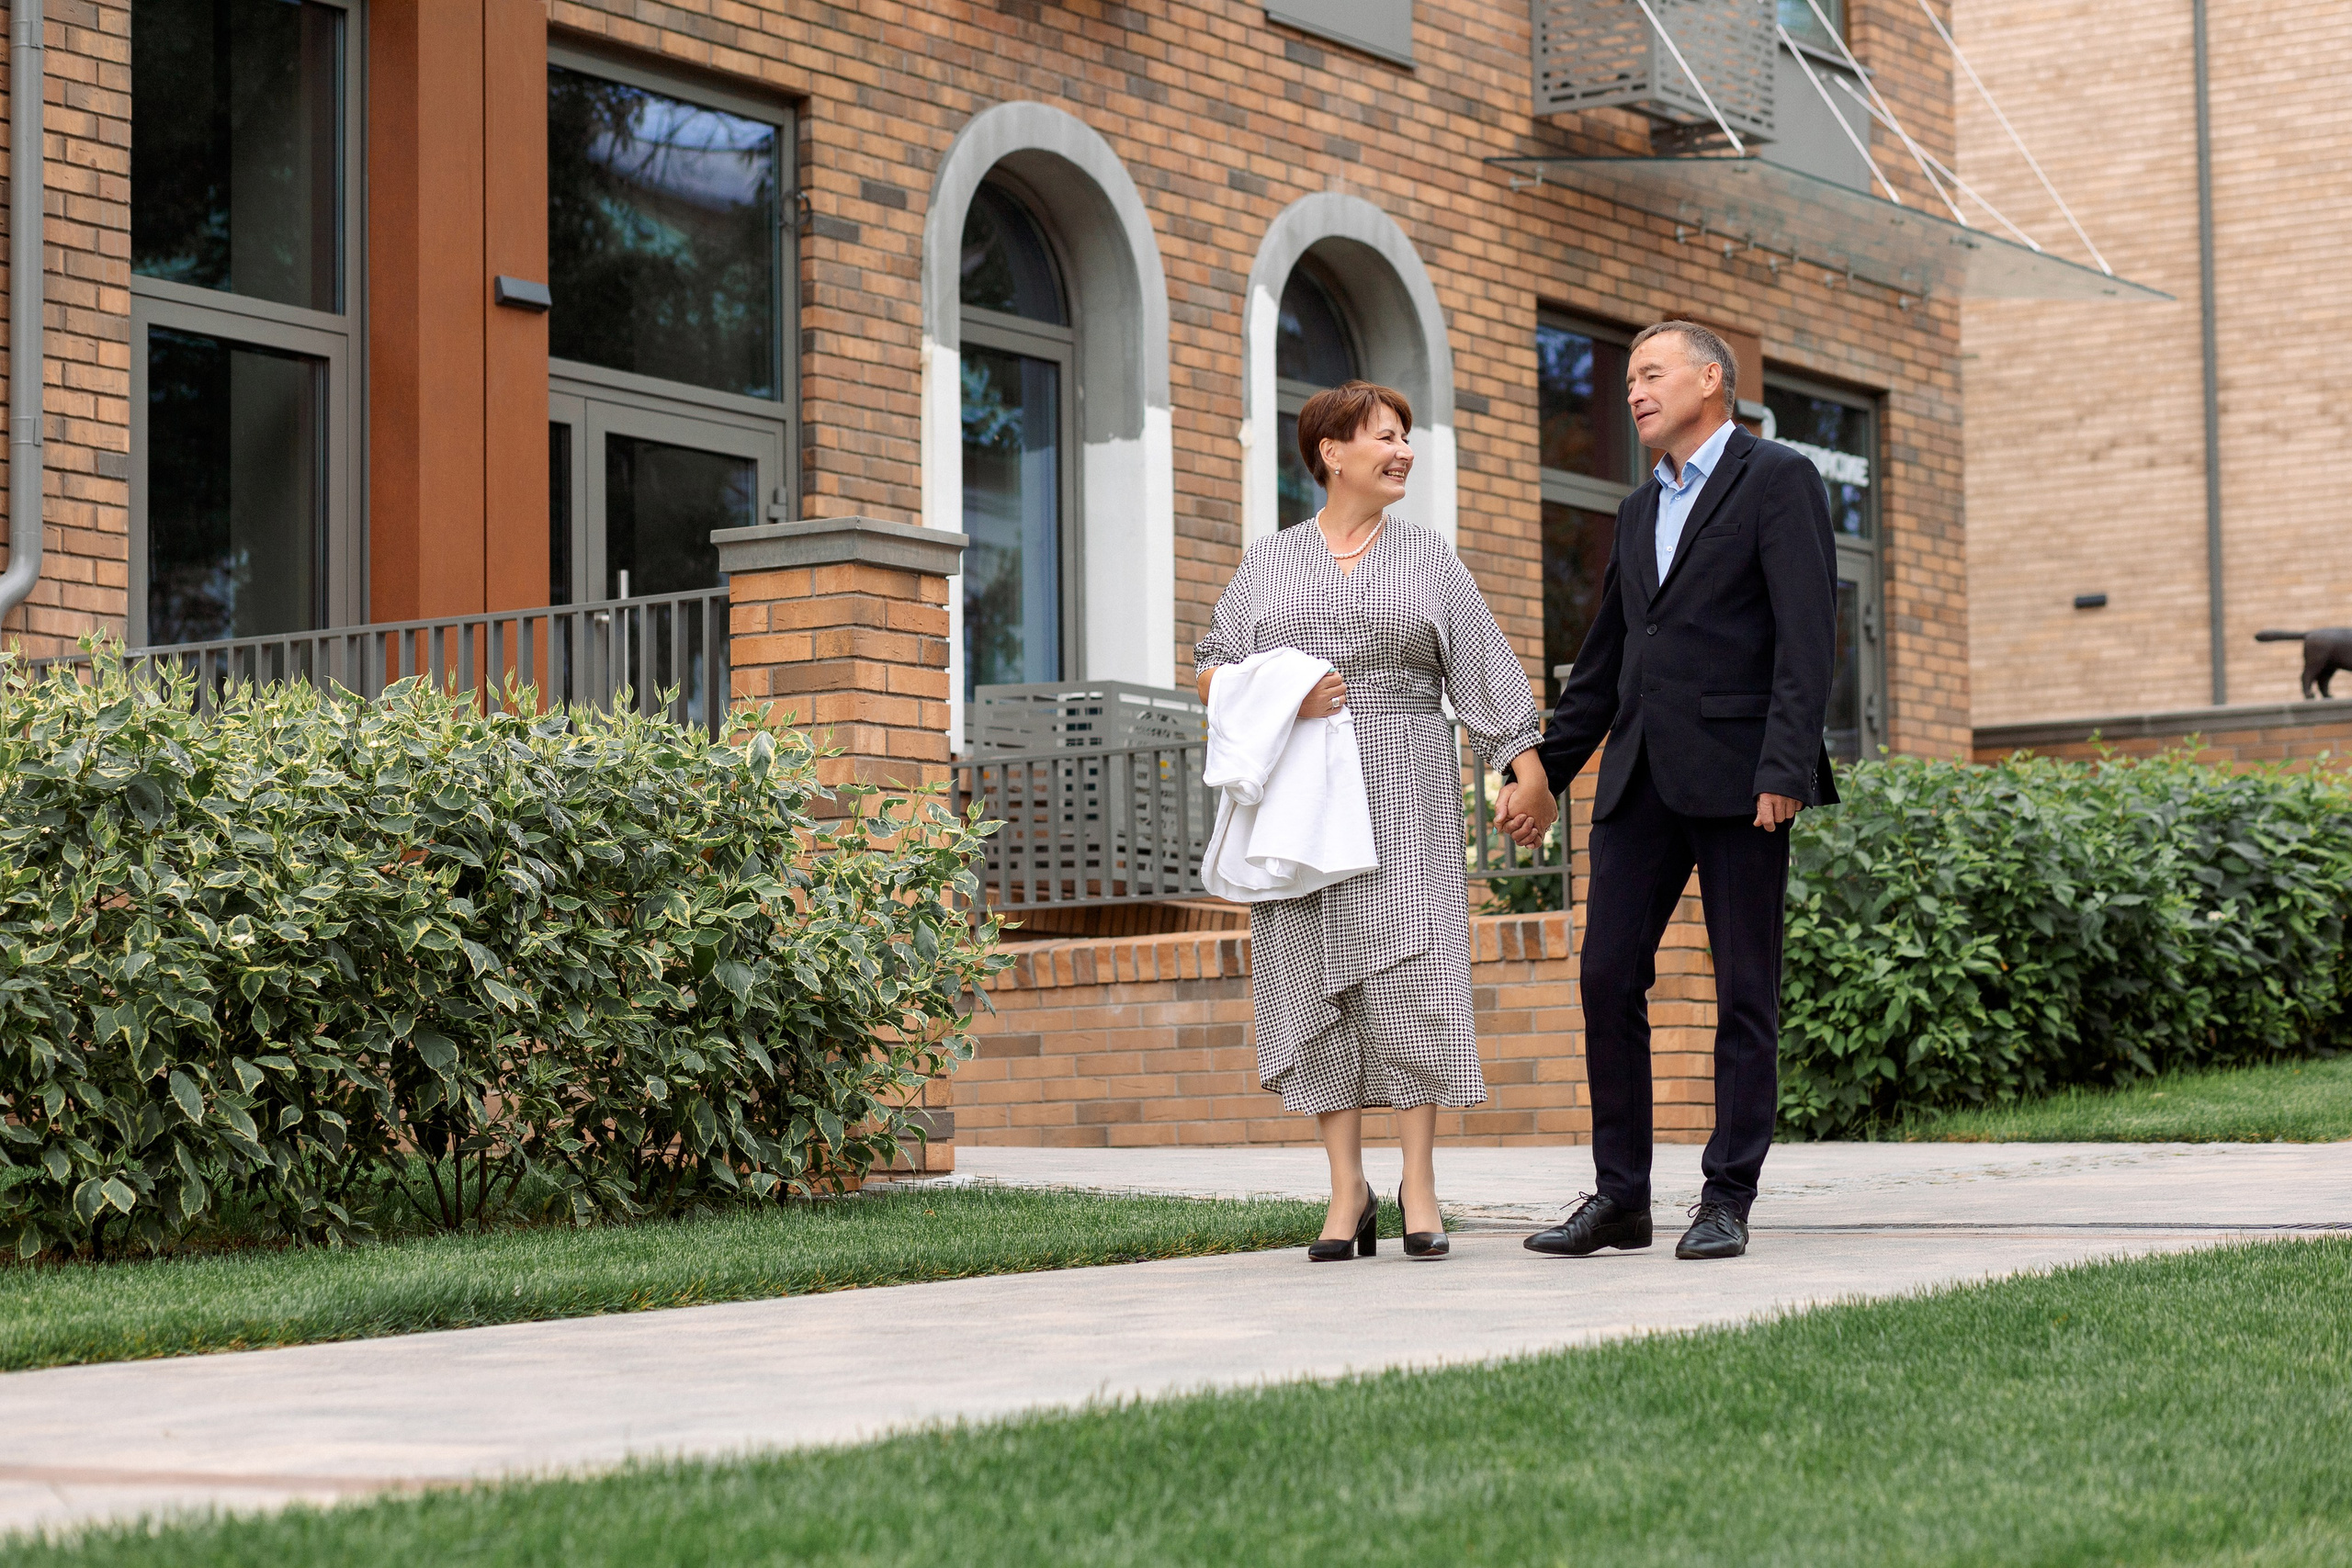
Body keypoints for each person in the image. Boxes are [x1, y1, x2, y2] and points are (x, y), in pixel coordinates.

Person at [1502, 321, 1838, 1262]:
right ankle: (1621, 1198)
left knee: (1743, 992)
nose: (1634, 392)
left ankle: (1725, 1196)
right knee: (1605, 975)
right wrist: (1541, 770)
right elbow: (1605, 666)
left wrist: (1784, 768)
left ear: (1711, 381)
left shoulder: (1778, 479)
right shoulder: (1637, 509)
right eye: (1628, 380)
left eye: (1650, 374)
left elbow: (1806, 637)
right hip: (1639, 776)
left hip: (1741, 780)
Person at [1195, 380, 1545, 1263]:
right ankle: (1346, 1186)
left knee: (1415, 967)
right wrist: (1287, 693)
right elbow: (1210, 670)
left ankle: (1418, 1181)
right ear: (1331, 452)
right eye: (1384, 437)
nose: (1403, 452)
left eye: (1406, 437)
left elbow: (1482, 663)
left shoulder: (1429, 556)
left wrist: (1526, 767)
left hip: (1405, 784)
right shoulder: (1268, 560)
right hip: (1300, 793)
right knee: (1311, 968)